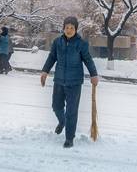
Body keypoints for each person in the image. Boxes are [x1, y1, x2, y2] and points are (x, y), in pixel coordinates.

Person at [40, 16, 99, 148]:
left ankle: (69, 138)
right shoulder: (57, 42)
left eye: (72, 28)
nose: (69, 30)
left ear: (76, 29)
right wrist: (45, 71)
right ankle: (62, 122)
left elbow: (88, 60)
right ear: (63, 28)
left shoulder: (81, 44)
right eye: (67, 27)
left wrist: (94, 74)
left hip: (74, 82)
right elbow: (51, 58)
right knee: (56, 106)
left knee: (72, 111)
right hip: (59, 80)